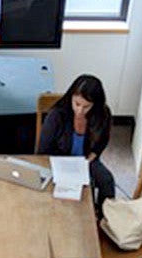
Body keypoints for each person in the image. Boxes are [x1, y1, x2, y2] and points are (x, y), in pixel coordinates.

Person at [38, 74, 115, 220]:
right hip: (60, 160)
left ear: (95, 105)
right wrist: (64, 165)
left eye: (86, 107)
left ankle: (105, 219)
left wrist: (95, 153)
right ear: (71, 98)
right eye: (77, 104)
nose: (80, 111)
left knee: (106, 180)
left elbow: (103, 139)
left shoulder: (102, 114)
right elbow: (43, 150)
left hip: (85, 159)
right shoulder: (57, 115)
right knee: (76, 190)